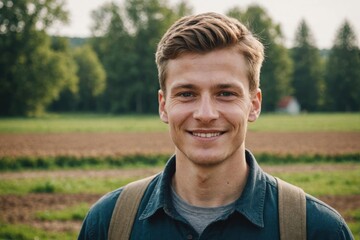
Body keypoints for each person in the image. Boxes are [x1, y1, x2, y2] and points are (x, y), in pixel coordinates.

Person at [78, 12, 353, 239]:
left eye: (225, 93)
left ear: (254, 105)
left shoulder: (317, 230)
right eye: (186, 93)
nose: (206, 114)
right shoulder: (109, 224)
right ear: (163, 105)